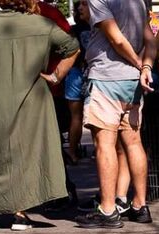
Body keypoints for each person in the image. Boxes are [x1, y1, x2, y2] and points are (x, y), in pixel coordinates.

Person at [0, 0, 79, 231]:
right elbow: (73, 46)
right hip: (32, 100)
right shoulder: (43, 24)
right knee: (26, 152)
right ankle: (20, 213)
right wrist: (56, 76)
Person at [75, 0, 156, 228]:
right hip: (132, 83)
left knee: (105, 144)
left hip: (106, 77)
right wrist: (146, 68)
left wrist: (140, 64)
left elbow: (116, 39)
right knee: (133, 142)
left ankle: (108, 209)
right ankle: (140, 205)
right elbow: (150, 40)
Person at [65, 0, 91, 165]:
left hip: (75, 72)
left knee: (76, 117)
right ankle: (101, 150)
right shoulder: (99, 27)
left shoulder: (73, 30)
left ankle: (72, 152)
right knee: (96, 118)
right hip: (92, 73)